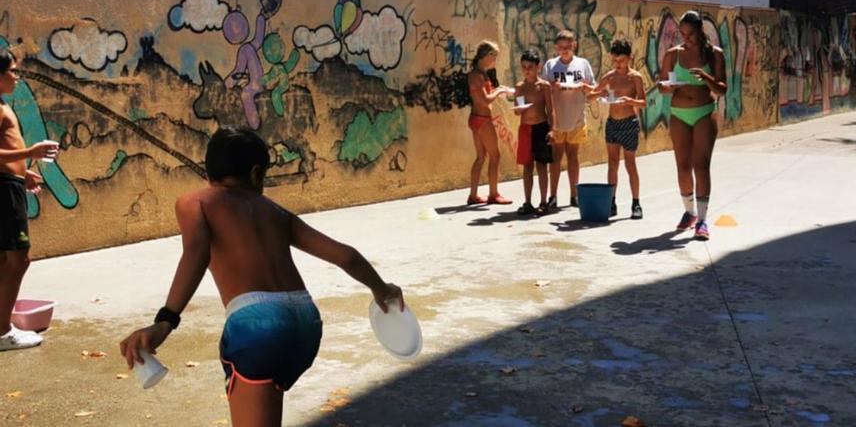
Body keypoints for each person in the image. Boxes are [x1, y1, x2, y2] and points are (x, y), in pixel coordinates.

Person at [119, 127, 403, 426]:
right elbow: (346, 255)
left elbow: (195, 254)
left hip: (257, 326)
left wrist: (166, 321)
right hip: (306, 322)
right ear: (256, 174)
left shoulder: (196, 203)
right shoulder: (277, 213)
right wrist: (382, 290)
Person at [0, 48, 56, 351]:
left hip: (9, 185)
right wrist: (29, 154)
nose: (17, 76)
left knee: (5, 261)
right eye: (12, 70)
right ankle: (3, 332)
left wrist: (23, 174)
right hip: (4, 190)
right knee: (19, 259)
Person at [659, 11, 727, 241]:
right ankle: (689, 212)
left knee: (701, 166)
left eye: (690, 34)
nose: (686, 38)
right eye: (682, 33)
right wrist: (667, 87)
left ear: (700, 31)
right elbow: (662, 85)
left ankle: (703, 220)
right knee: (683, 166)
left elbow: (722, 89)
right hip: (678, 113)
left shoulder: (715, 54)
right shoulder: (672, 55)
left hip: (704, 112)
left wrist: (705, 78)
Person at [590, 39, 647, 219]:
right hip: (613, 123)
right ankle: (611, 201)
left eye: (621, 60)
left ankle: (636, 202)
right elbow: (590, 95)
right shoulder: (610, 76)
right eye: (615, 61)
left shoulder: (635, 77)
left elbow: (643, 102)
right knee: (612, 163)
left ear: (629, 58)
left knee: (630, 164)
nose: (618, 64)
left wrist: (631, 102)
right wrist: (601, 93)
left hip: (629, 123)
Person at [541, 30, 595, 210]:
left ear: (574, 45)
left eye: (568, 46)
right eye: (561, 47)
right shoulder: (551, 65)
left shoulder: (583, 64)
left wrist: (583, 86)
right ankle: (553, 195)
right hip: (557, 119)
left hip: (577, 118)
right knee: (556, 158)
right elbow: (544, 89)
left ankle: (574, 195)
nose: (564, 50)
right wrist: (552, 88)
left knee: (573, 157)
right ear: (556, 47)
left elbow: (592, 89)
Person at [467, 40, 514, 205]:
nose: (495, 60)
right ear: (485, 55)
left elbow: (484, 94)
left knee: (480, 157)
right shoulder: (476, 75)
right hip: (482, 119)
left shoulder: (481, 74)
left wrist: (498, 90)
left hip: (477, 118)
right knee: (495, 156)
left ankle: (473, 195)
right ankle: (493, 194)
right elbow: (485, 100)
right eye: (493, 56)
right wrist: (500, 90)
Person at [513, 50, 554, 216]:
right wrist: (518, 110)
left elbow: (550, 110)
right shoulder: (519, 87)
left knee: (542, 166)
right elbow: (517, 110)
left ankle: (544, 202)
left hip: (541, 127)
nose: (526, 70)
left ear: (538, 67)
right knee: (527, 167)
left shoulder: (543, 86)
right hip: (525, 129)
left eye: (530, 66)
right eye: (523, 67)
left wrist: (553, 129)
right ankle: (527, 202)